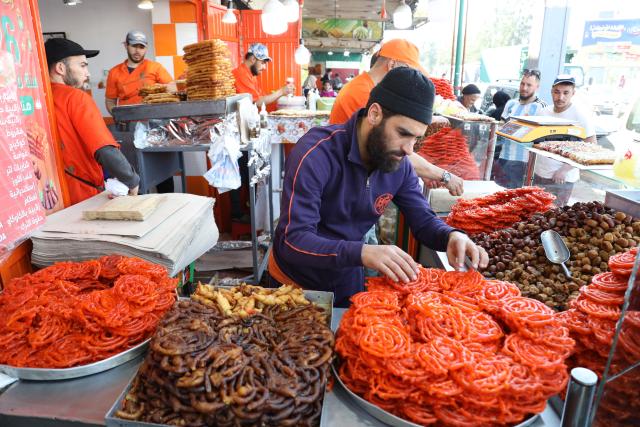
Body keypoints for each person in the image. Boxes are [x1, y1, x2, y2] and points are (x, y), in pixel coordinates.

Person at [269, 67, 488, 306]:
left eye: (416, 138)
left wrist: (451, 235)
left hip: (347, 280)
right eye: (403, 133)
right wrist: (363, 252)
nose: (409, 149)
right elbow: (295, 240)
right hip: (292, 286)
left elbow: (423, 221)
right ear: (374, 114)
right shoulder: (315, 154)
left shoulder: (399, 164)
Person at [330, 38, 464, 196]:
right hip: (346, 179)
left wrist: (422, 171)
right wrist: (441, 174)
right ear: (392, 65)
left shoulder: (365, 86)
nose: (411, 77)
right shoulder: (363, 92)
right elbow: (385, 145)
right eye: (409, 70)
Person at [45, 38, 139, 206]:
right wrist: (131, 179)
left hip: (49, 195)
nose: (87, 73)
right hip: (82, 194)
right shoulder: (76, 97)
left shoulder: (37, 98)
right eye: (82, 65)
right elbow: (103, 148)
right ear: (60, 68)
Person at [534, 75, 596, 206]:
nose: (560, 97)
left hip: (562, 179)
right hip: (540, 173)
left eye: (565, 93)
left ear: (573, 93)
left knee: (554, 215)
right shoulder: (543, 112)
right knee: (535, 213)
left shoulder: (580, 114)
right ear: (552, 92)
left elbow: (591, 146)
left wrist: (565, 169)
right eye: (557, 92)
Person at [493, 69, 547, 189]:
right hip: (503, 157)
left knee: (514, 197)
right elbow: (501, 128)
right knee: (497, 193)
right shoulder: (511, 103)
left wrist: (511, 127)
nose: (524, 88)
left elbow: (539, 136)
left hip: (523, 161)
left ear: (537, 87)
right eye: (522, 84)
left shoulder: (541, 107)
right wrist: (519, 128)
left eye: (529, 85)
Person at [105, 30, 173, 113]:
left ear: (146, 48)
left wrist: (158, 89)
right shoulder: (114, 72)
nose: (137, 51)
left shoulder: (155, 67)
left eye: (141, 47)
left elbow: (173, 88)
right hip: (128, 119)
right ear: (126, 45)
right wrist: (118, 116)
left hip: (153, 118)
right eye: (134, 46)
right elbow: (110, 101)